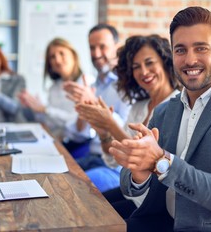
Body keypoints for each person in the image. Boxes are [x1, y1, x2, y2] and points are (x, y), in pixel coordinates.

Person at [109, 6, 211, 231]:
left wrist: (161, 162)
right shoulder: (164, 111)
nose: (190, 60)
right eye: (180, 50)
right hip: (161, 221)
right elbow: (128, 184)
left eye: (201, 48)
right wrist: (139, 172)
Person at [75, 35, 181, 196]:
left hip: (155, 197)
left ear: (165, 62)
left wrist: (110, 124)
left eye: (149, 63)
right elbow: (115, 159)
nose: (143, 71)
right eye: (136, 66)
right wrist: (104, 133)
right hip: (133, 192)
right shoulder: (139, 107)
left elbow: (142, 160)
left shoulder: (178, 105)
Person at [63, 24, 131, 170]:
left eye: (102, 47)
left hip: (115, 165)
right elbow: (81, 135)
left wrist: (93, 102)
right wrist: (83, 108)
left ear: (117, 48)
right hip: (93, 156)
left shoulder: (128, 84)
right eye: (92, 48)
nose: (96, 53)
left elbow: (127, 132)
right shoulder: (96, 84)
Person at [18, 38, 83, 139]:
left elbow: (73, 122)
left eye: (62, 53)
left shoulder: (85, 84)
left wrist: (45, 109)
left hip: (78, 145)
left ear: (73, 56)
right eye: (52, 57)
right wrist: (34, 108)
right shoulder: (54, 87)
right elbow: (50, 122)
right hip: (57, 140)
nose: (57, 60)